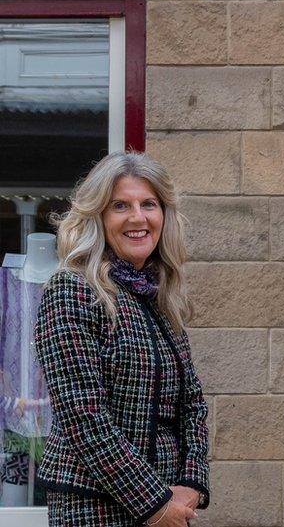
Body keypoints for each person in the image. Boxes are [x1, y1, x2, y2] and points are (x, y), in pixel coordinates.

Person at [34, 152, 209, 527]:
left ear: (164, 215)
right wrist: (155, 504)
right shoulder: (73, 290)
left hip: (169, 501)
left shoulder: (160, 298)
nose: (138, 217)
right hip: (95, 505)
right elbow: (85, 417)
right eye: (120, 205)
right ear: (98, 216)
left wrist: (190, 484)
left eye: (149, 204)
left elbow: (192, 404)